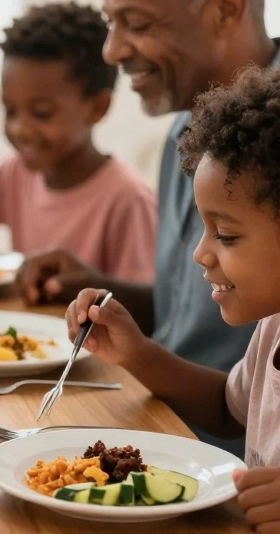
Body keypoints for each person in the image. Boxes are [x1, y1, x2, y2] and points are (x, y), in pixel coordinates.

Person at [15, 0, 277, 375]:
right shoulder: (186, 124)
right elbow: (191, 319)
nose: (111, 50)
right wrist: (106, 294)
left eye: (135, 24)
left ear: (225, 9)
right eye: (110, 23)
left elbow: (239, 400)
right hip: (165, 408)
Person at [66, 65, 280, 532]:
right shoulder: (273, 326)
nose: (201, 253)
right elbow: (227, 410)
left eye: (225, 234)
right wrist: (137, 353)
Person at [0, 1, 155, 282]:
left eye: (41, 113)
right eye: (10, 110)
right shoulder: (16, 173)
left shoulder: (129, 200)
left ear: (97, 107)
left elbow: (147, 306)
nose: (19, 129)